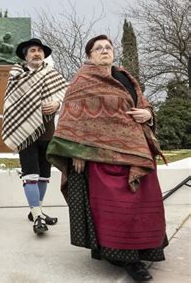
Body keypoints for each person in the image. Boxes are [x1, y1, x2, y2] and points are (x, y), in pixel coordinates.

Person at [47, 35, 167, 281]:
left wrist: (148, 114)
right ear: (89, 55)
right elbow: (72, 117)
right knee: (117, 210)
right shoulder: (82, 81)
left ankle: (145, 247)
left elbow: (142, 104)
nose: (104, 51)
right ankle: (127, 259)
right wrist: (76, 152)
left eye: (108, 47)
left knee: (143, 205)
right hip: (102, 157)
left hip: (136, 151)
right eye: (98, 48)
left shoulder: (125, 76)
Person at [1, 38, 68, 235]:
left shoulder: (52, 74)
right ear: (25, 55)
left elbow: (63, 95)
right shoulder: (16, 75)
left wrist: (56, 105)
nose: (37, 53)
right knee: (30, 174)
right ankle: (37, 217)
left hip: (47, 131)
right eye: (32, 51)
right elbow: (11, 103)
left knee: (44, 175)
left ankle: (35, 210)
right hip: (24, 132)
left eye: (39, 50)